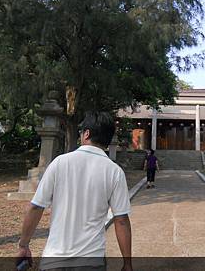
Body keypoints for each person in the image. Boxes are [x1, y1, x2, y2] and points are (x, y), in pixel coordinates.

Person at [17, 111, 132, 271]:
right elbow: (121, 220)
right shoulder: (114, 171)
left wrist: (24, 245)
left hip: (54, 258)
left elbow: (36, 207)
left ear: (86, 133)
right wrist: (127, 263)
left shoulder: (60, 163)